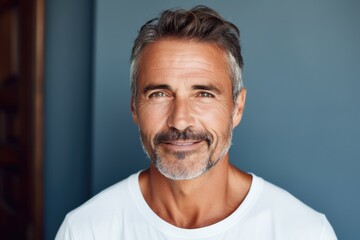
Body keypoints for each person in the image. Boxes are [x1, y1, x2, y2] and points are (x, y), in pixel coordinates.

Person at [55, 5, 337, 240]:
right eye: (159, 94)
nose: (179, 120)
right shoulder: (85, 230)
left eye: (203, 93)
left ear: (237, 107)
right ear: (134, 108)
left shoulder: (305, 231)